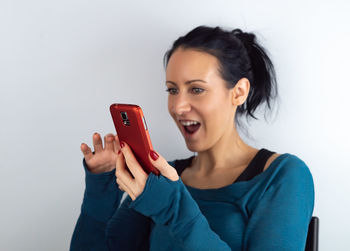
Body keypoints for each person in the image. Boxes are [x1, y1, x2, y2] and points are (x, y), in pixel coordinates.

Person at [70, 25, 315, 250]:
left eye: (196, 89)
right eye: (172, 90)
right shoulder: (163, 179)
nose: (177, 107)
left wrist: (172, 208)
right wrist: (100, 188)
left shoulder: (283, 176)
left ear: (239, 92)